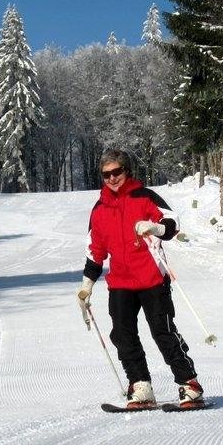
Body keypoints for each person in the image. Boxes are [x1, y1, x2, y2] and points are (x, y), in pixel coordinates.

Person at [77, 149, 204, 409]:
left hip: (152, 279)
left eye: (116, 172)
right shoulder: (99, 209)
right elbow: (95, 250)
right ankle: (141, 386)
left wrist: (155, 227)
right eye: (106, 174)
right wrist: (86, 286)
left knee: (163, 333)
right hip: (120, 284)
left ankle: (189, 384)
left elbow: (172, 222)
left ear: (127, 171)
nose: (112, 178)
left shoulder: (144, 196)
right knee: (123, 336)